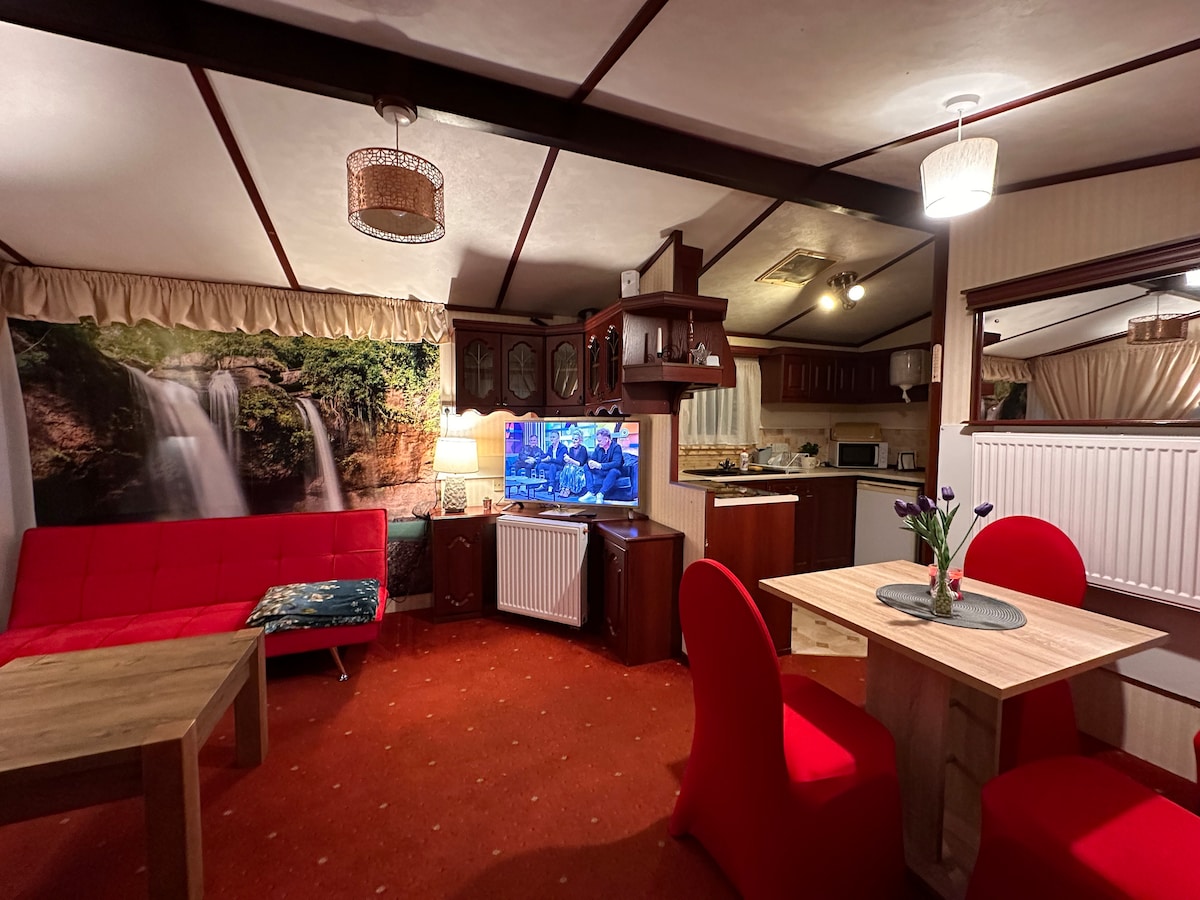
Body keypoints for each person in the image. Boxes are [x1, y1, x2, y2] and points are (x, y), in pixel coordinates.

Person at [580, 426, 624, 503]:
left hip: (612, 471)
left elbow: (617, 463)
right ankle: (590, 492)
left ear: (606, 439)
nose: (598, 442)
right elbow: (592, 458)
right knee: (586, 466)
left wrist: (600, 466)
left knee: (613, 471)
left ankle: (600, 494)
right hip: (601, 471)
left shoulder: (616, 447)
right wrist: (590, 462)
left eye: (600, 440)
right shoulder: (598, 447)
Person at [558, 428, 589, 497]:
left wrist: (569, 459)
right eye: (573, 439)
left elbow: (580, 463)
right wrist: (566, 459)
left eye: (576, 439)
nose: (573, 441)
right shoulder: (571, 449)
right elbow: (569, 461)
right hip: (571, 467)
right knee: (566, 467)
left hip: (580, 468)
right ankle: (563, 488)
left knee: (571, 468)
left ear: (580, 440)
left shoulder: (583, 449)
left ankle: (568, 489)